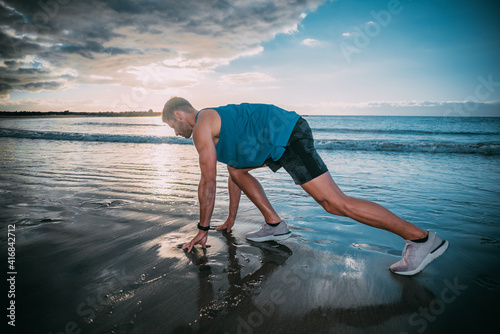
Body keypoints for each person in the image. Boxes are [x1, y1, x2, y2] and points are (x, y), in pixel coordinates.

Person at [162, 97, 449, 276]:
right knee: (237, 169)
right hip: (279, 142)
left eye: (172, 127)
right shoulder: (215, 133)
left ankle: (422, 239)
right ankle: (274, 224)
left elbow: (207, 181)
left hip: (288, 134)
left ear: (179, 115)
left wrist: (202, 229)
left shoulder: (202, 123)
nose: (176, 133)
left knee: (335, 203)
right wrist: (230, 219)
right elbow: (232, 175)